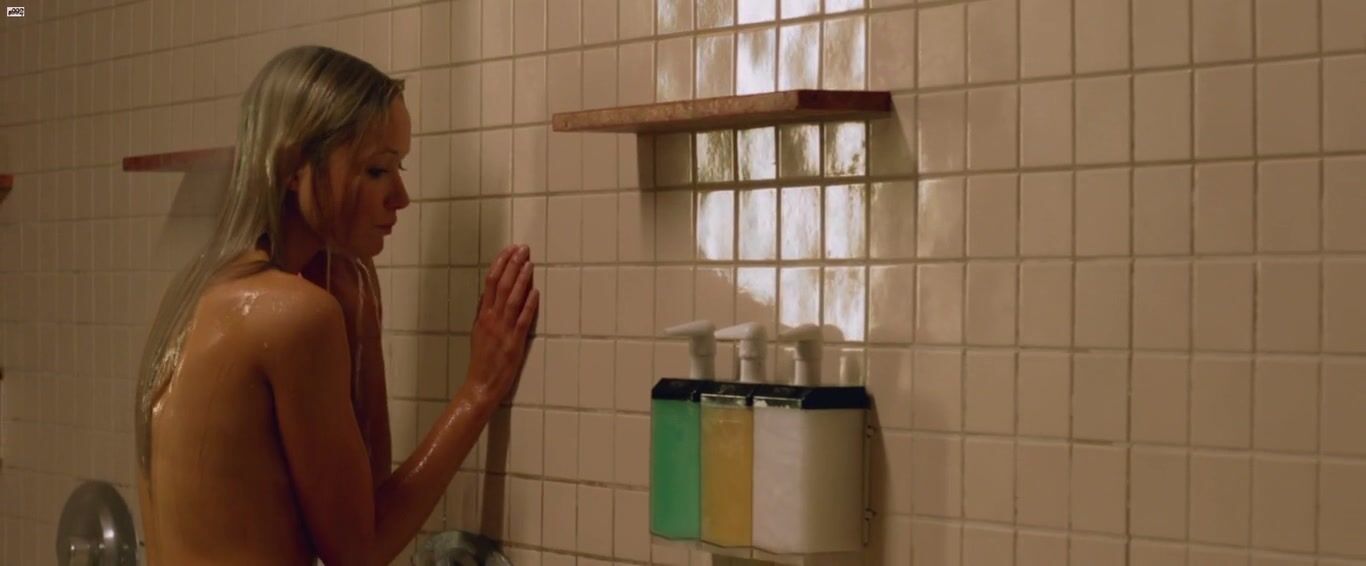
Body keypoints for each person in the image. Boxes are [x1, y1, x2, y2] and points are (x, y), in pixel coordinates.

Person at [132, 45, 539, 565]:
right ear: (292, 168)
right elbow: (360, 550)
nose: (400, 197)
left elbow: (359, 502)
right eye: (377, 170)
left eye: (399, 167)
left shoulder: (191, 293)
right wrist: (479, 391)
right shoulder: (292, 314)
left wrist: (362, 318)